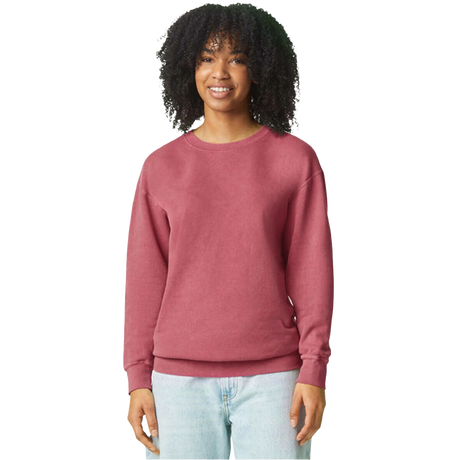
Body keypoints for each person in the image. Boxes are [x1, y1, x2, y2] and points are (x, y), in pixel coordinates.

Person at [122, 1, 336, 458]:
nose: (219, 72)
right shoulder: (160, 167)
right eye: (206, 57)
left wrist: (314, 368)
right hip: (177, 382)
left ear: (260, 68)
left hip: (275, 379)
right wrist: (137, 377)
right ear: (188, 67)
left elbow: (313, 272)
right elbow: (143, 281)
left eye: (237, 58)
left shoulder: (295, 160)